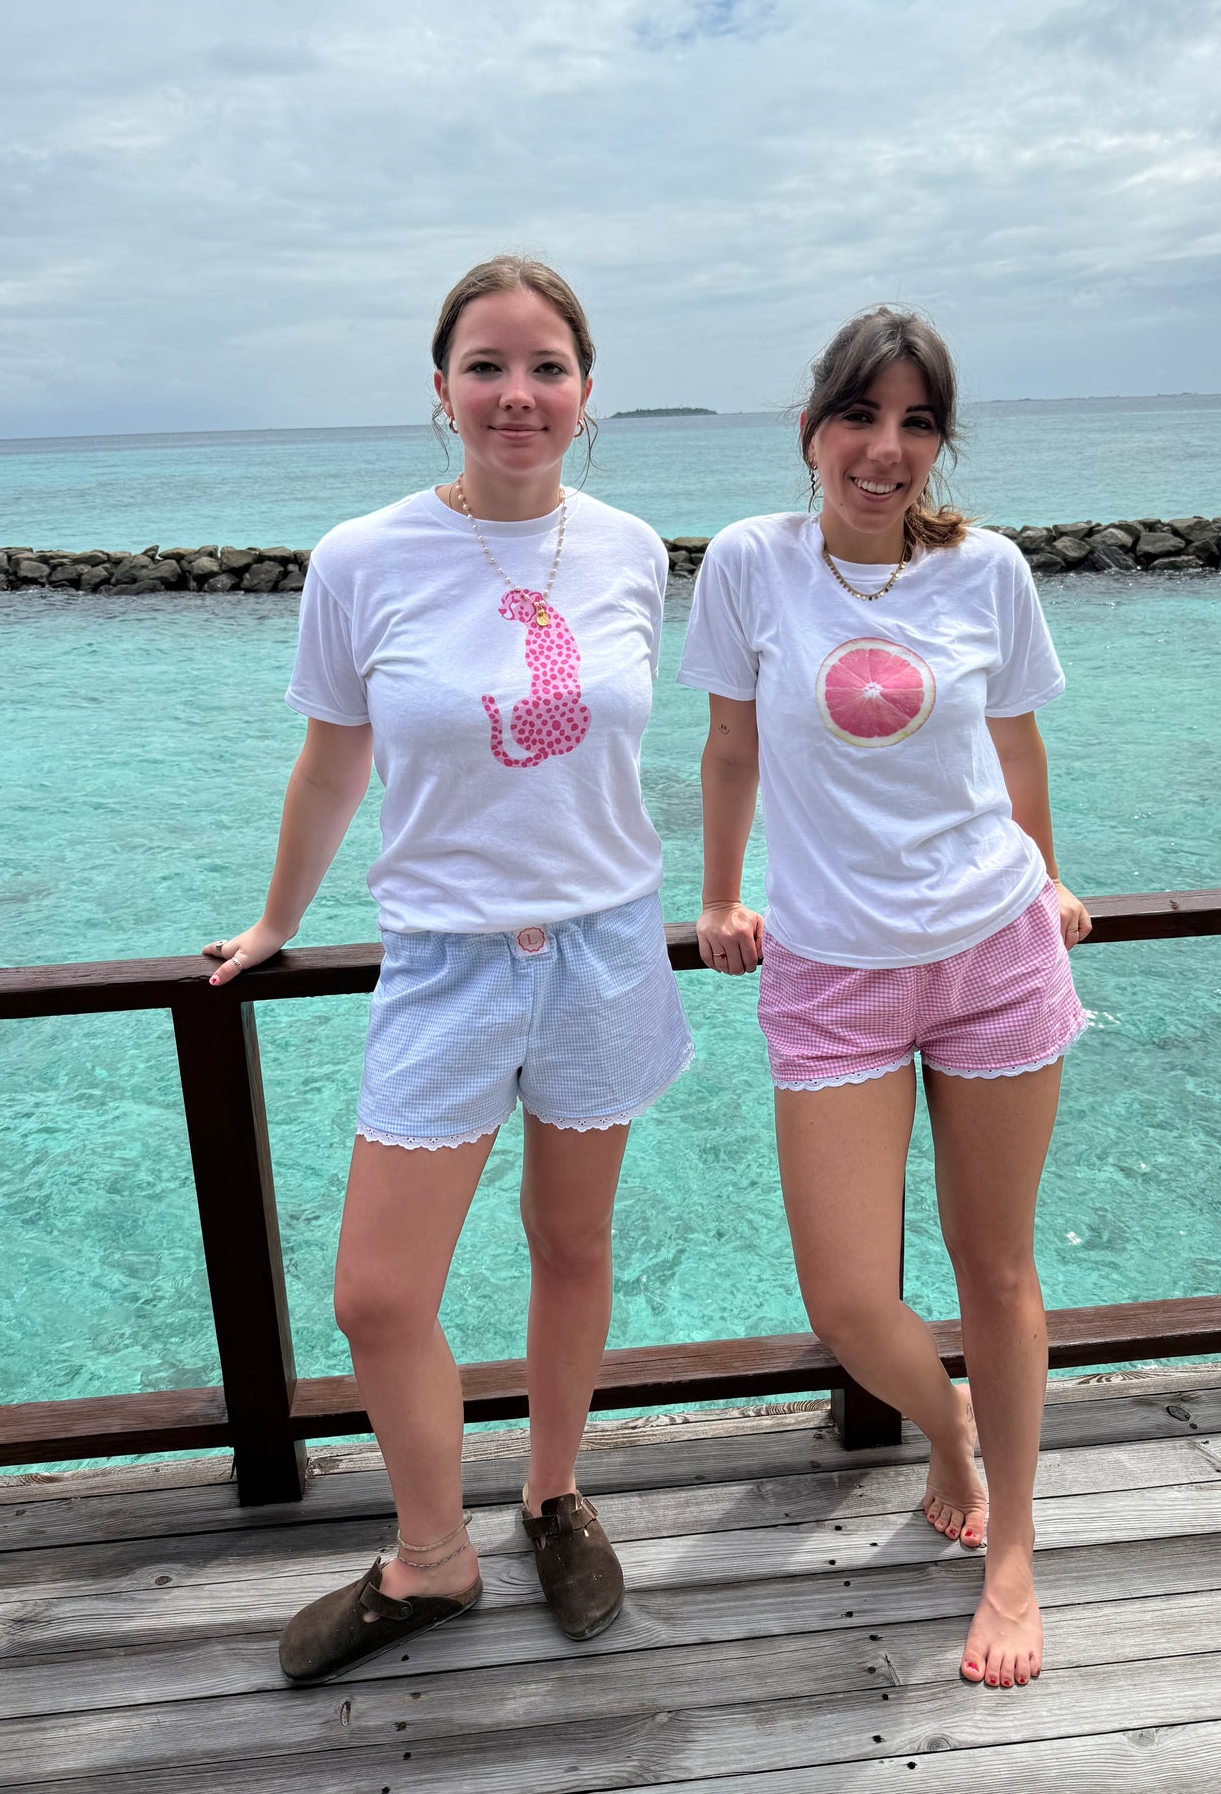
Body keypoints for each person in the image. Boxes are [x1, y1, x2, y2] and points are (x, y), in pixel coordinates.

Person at [204, 257, 692, 1684]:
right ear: (440, 390)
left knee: (572, 1245)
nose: (516, 394)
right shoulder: (361, 556)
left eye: (545, 367)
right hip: (443, 960)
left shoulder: (630, 549)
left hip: (606, 944)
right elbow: (333, 753)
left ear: (586, 394)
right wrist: (277, 916)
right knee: (376, 1293)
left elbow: (649, 749)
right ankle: (431, 1555)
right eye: (486, 365)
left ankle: (552, 1494)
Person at [679, 307, 1090, 1692]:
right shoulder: (749, 565)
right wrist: (720, 894)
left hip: (991, 948)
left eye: (916, 423)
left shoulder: (987, 570)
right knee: (851, 1300)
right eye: (861, 417)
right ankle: (952, 1431)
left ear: (938, 443)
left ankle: (1014, 1550)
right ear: (812, 431)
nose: (885, 449)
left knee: (996, 1271)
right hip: (830, 967)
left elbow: (1016, 738)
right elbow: (728, 742)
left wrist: (1050, 875)